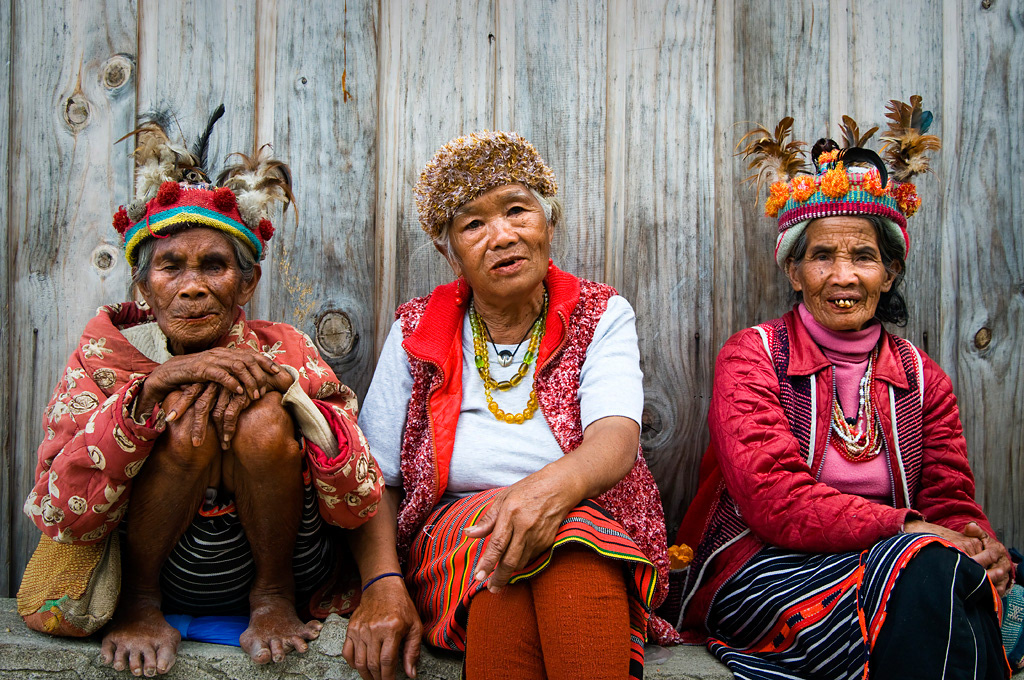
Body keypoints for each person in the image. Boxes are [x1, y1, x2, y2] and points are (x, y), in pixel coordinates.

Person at [22, 110, 383, 676]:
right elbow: (58, 512)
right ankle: (142, 604)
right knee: (184, 414)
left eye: (214, 265)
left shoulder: (285, 349)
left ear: (247, 282)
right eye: (170, 266)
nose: (191, 285)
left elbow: (358, 497)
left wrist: (291, 396)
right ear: (143, 284)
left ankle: (271, 599)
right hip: (161, 573)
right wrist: (148, 395)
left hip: (282, 563)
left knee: (261, 414)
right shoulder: (104, 355)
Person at [672, 97, 1012, 678]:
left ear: (891, 271)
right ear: (793, 270)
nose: (843, 276)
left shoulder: (921, 377)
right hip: (762, 564)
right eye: (822, 256)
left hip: (906, 558)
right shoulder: (752, 356)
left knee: (957, 580)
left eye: (863, 256)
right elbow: (774, 498)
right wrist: (909, 531)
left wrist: (974, 538)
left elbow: (949, 498)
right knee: (938, 589)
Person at [343, 131, 679, 680]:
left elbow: (614, 440)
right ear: (448, 250)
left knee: (549, 551)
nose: (501, 236)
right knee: (536, 548)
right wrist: (382, 585)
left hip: (578, 519)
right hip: (456, 534)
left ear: (548, 224)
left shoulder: (600, 313)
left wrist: (538, 499)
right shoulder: (415, 330)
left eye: (517, 211)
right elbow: (377, 476)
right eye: (473, 224)